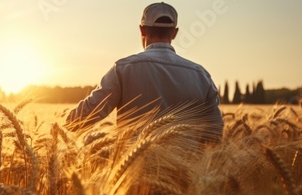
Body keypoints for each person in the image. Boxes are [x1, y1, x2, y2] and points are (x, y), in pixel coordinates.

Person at [65, 2, 223, 140]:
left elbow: (80, 119)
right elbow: (214, 136)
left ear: (142, 30)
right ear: (175, 33)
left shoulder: (123, 69)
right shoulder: (201, 76)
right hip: (188, 171)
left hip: (134, 172)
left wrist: (61, 123)